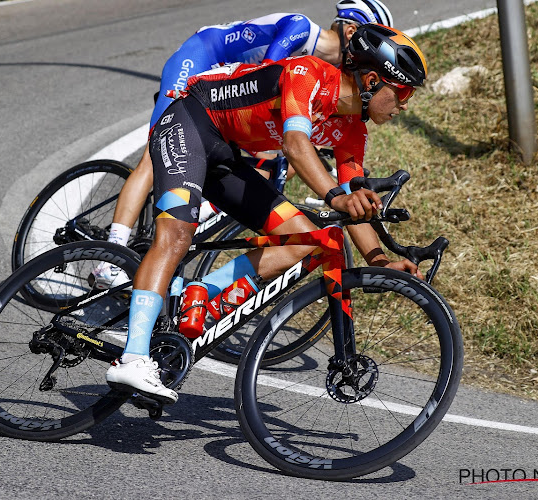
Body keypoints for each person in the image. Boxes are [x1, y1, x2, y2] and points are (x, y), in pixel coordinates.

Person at [105, 23, 429, 404]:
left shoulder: (353, 131)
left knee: (308, 239)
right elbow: (295, 143)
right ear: (373, 79)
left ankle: (203, 291)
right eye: (403, 91)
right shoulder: (306, 73)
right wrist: (333, 197)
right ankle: (133, 358)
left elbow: (352, 201)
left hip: (224, 154)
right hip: (187, 123)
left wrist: (379, 259)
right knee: (176, 236)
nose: (405, 104)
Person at [92, 0, 396, 288]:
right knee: (153, 153)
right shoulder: (301, 30)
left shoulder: (332, 74)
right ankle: (111, 253)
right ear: (353, 33)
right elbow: (265, 79)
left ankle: (202, 209)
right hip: (203, 58)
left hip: (226, 88)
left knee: (276, 167)